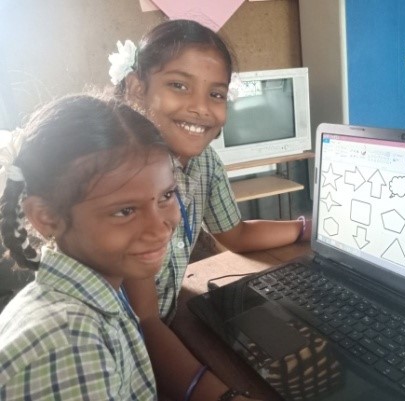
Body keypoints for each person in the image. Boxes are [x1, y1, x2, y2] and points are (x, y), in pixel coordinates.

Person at [109, 19, 308, 400]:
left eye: (216, 94)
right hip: (121, 354)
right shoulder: (127, 176)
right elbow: (144, 320)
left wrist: (304, 228)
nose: (201, 108)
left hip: (162, 326)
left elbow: (234, 234)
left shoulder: (204, 164)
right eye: (179, 86)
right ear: (136, 88)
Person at [0, 94, 215, 400]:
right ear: (46, 218)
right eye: (125, 211)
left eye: (166, 196)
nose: (160, 228)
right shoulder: (71, 344)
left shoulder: (96, 300)